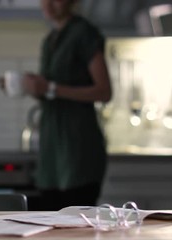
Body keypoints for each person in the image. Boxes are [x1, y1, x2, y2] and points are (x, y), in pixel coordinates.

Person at [8, 0, 113, 211]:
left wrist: (51, 87)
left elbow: (104, 91)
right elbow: (50, 90)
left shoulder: (85, 34)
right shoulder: (50, 40)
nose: (47, 3)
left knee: (75, 222)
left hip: (78, 148)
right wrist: (32, 86)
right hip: (52, 151)